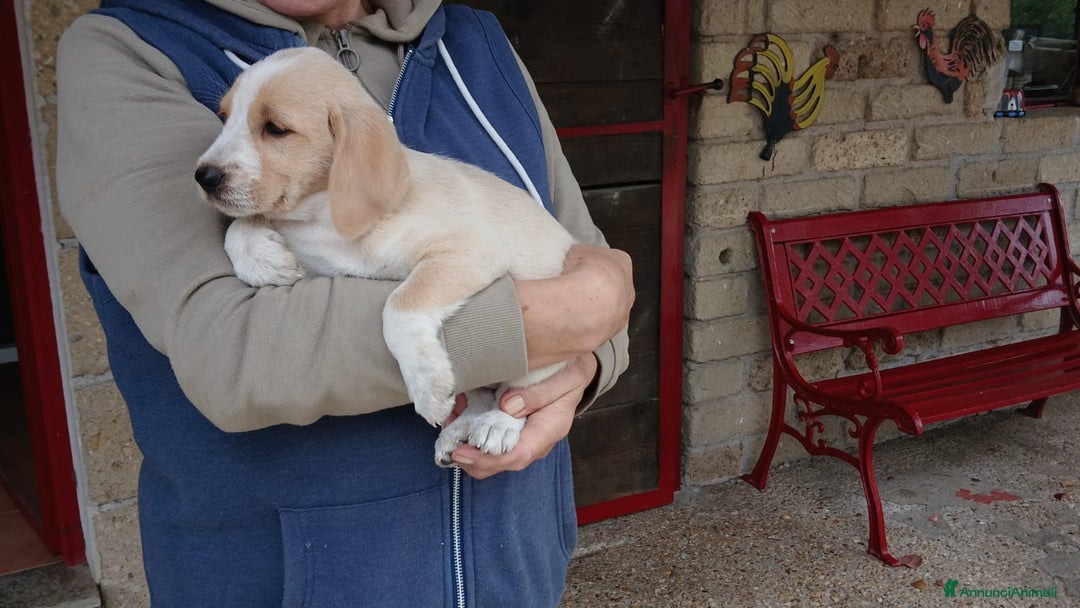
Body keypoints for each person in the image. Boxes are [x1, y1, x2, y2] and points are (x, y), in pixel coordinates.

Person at [56, 0, 633, 606]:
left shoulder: (476, 38)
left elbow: (587, 261)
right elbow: (232, 354)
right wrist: (549, 324)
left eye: (274, 129)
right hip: (290, 579)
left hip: (511, 558)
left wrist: (588, 365)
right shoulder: (132, 47)